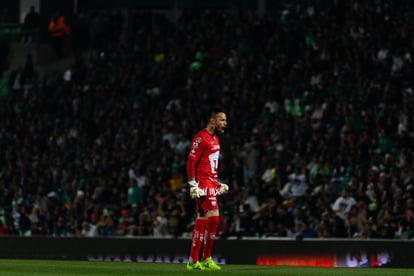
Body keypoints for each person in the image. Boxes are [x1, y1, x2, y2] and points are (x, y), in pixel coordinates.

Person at [186, 107, 229, 271]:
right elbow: (191, 162)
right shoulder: (200, 138)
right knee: (209, 220)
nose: (225, 123)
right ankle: (198, 259)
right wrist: (192, 184)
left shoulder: (215, 138)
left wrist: (218, 183)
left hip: (211, 183)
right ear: (213, 120)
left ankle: (201, 259)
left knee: (208, 220)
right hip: (202, 183)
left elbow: (210, 165)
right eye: (222, 120)